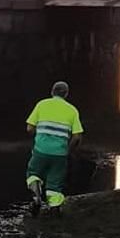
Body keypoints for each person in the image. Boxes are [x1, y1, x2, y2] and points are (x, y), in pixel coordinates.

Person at [25, 81, 84, 215]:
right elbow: (77, 137)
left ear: (52, 92)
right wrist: (68, 150)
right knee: (55, 183)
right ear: (66, 94)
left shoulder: (42, 104)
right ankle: (54, 209)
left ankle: (36, 197)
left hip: (40, 150)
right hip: (60, 154)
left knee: (33, 173)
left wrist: (39, 136)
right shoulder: (72, 110)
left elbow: (29, 128)